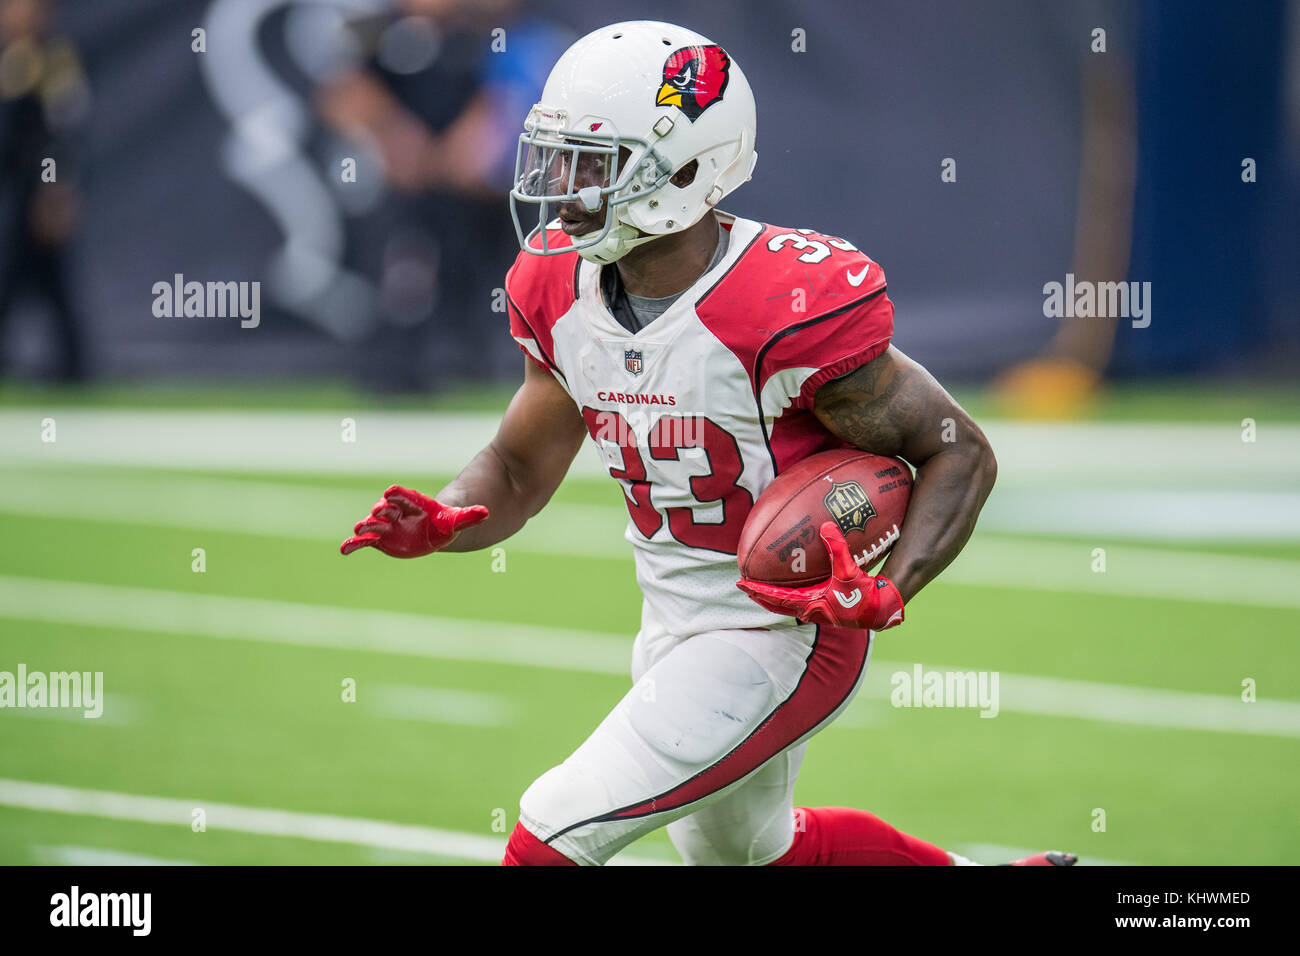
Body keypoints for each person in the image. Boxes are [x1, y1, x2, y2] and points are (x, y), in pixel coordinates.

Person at [341, 20, 1075, 867]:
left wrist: (890, 589)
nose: (563, 186)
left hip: (786, 630)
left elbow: (959, 449)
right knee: (751, 857)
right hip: (673, 619)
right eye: (559, 157)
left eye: (593, 163)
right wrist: (450, 516)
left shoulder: (778, 303)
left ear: (685, 171)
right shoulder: (558, 283)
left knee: (551, 830)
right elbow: (515, 464)